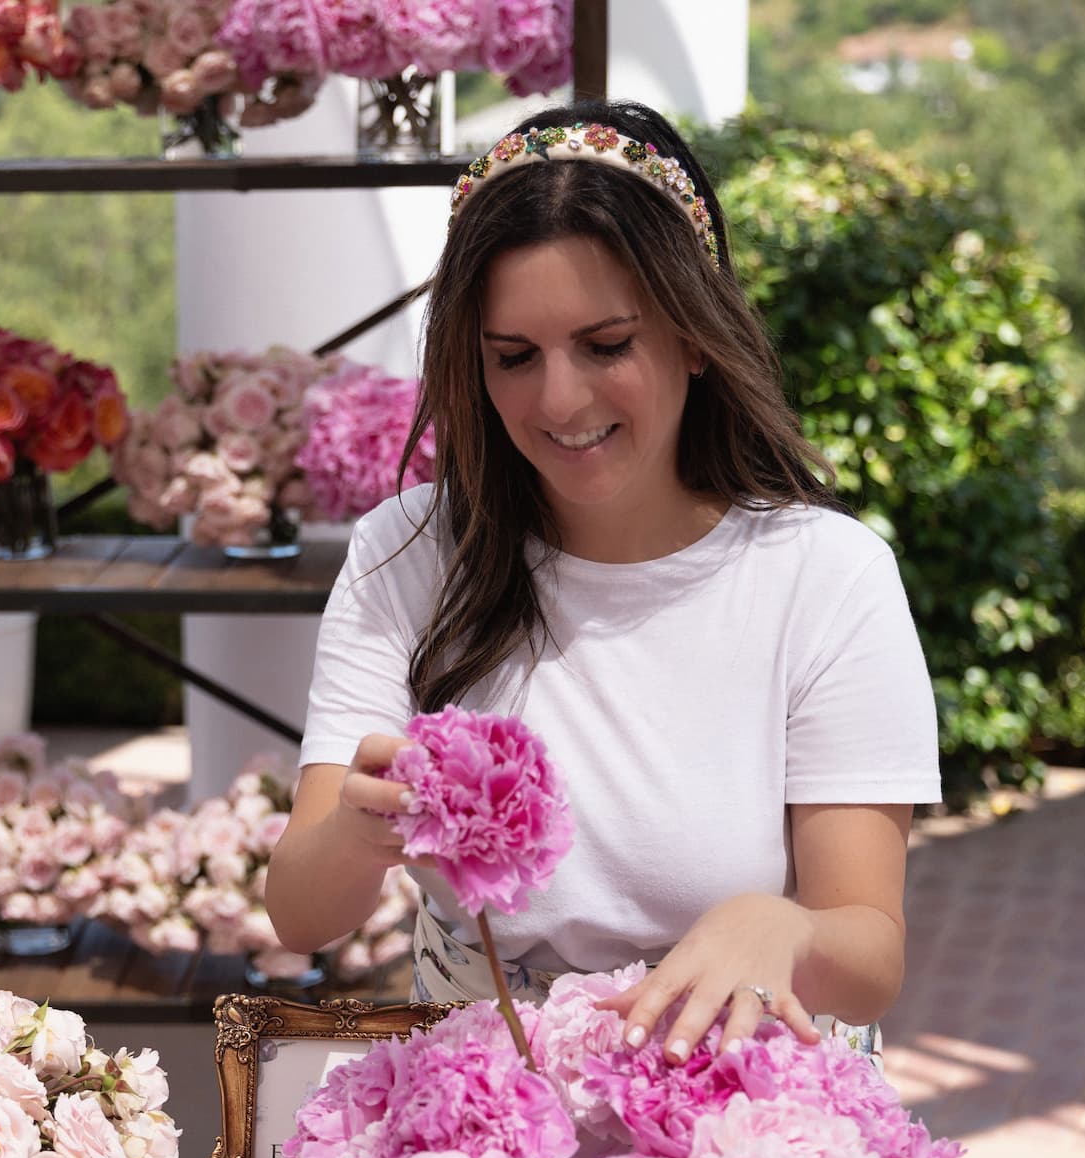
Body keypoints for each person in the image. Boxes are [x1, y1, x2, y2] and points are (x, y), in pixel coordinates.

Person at [265, 97, 940, 1068]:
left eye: (605, 344)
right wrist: (361, 827)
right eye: (512, 358)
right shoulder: (407, 552)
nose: (559, 399)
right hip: (483, 1142)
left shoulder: (823, 577)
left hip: (742, 1143)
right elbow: (298, 910)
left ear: (693, 335)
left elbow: (867, 952)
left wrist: (781, 930)